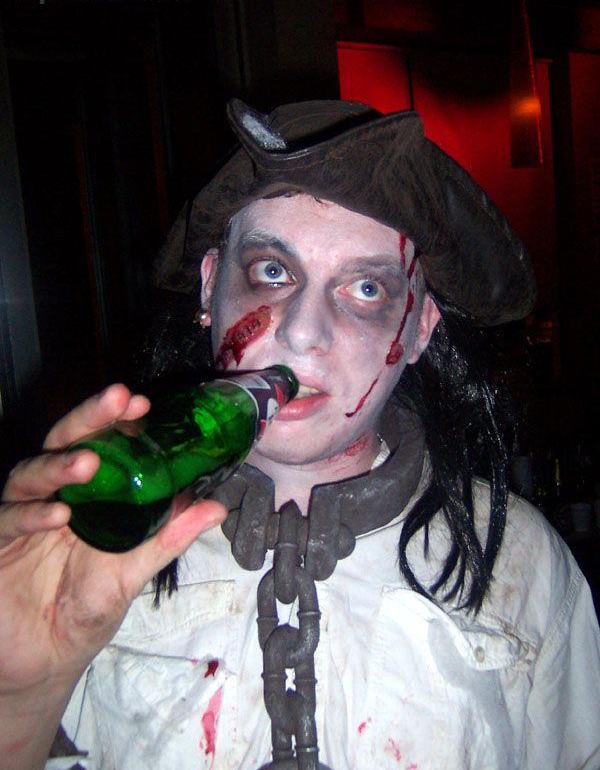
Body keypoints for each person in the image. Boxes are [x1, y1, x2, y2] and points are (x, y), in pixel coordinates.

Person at [1, 98, 599, 770]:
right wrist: (18, 702)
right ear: (209, 288)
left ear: (420, 331)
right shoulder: (88, 552)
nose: (303, 332)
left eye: (367, 289)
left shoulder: (520, 564)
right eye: (272, 272)